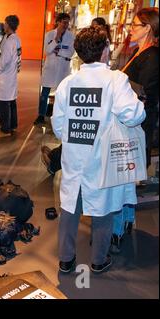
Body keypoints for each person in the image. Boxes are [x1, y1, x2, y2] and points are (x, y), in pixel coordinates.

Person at [52, 26, 145, 274]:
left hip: (74, 156)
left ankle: (66, 259)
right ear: (105, 50)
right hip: (103, 157)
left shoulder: (67, 84)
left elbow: (58, 126)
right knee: (103, 209)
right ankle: (98, 260)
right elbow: (134, 115)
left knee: (70, 206)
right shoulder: (116, 80)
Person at [111, 7, 159, 253]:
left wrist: (116, 80)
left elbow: (145, 93)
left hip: (136, 126)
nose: (131, 28)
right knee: (126, 179)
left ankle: (118, 229)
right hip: (130, 123)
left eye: (136, 25)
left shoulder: (152, 57)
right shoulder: (137, 51)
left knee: (122, 178)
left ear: (148, 28)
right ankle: (126, 222)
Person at [34, 13, 75, 125]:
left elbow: (71, 52)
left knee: (61, 93)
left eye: (68, 22)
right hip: (50, 68)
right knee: (45, 93)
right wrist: (56, 39)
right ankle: (41, 115)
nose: (66, 25)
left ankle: (58, 115)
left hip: (63, 69)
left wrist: (58, 52)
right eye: (64, 22)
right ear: (58, 22)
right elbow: (47, 51)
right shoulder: (49, 35)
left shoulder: (71, 36)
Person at [0, 15, 22, 138]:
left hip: (5, 76)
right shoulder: (13, 38)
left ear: (8, 25)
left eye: (4, 23)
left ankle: (5, 130)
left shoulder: (10, 41)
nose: (3, 25)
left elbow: (4, 60)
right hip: (11, 75)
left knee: (3, 103)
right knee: (11, 101)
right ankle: (13, 125)